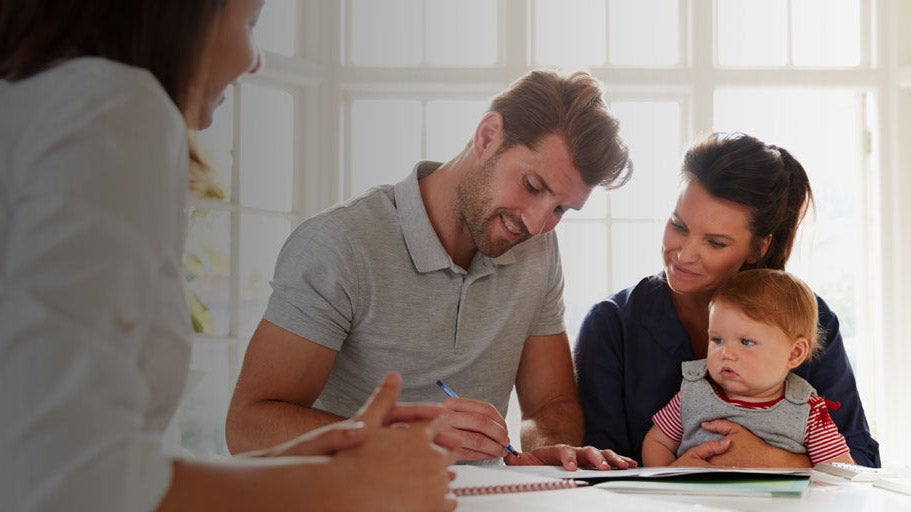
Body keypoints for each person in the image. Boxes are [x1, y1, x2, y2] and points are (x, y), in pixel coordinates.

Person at [0, 1, 458, 510]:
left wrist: (288, 467)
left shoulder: (41, 101)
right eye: (250, 24)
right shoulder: (113, 108)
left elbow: (72, 456)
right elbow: (68, 485)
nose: (254, 60)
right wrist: (349, 488)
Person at [225, 69, 639, 471]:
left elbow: (550, 406)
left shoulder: (538, 250)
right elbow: (248, 427)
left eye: (561, 209)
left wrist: (545, 452)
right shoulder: (340, 243)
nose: (536, 223)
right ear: (487, 136)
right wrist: (398, 438)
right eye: (532, 186)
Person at [574, 132, 880, 468]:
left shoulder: (807, 320)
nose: (685, 255)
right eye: (678, 225)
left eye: (716, 243)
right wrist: (674, 477)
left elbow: (860, 464)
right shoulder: (612, 324)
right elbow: (600, 469)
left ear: (758, 247)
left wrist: (771, 459)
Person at [642, 269, 855, 467]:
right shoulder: (693, 392)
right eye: (717, 340)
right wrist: (670, 474)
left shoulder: (807, 411)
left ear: (794, 354)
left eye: (746, 342)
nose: (726, 353)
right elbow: (657, 442)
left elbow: (839, 471)